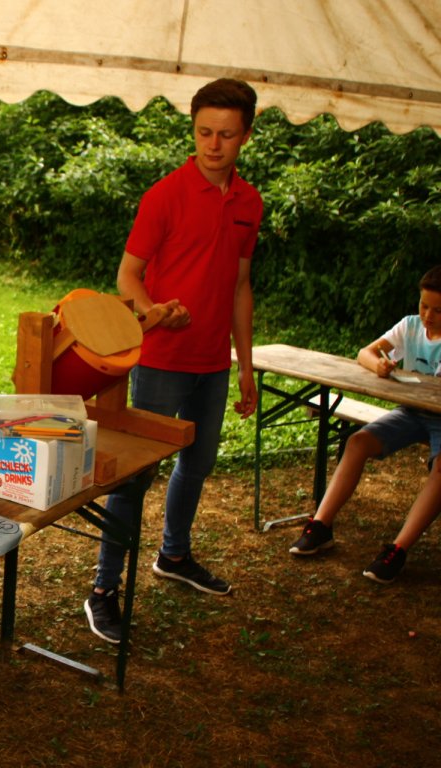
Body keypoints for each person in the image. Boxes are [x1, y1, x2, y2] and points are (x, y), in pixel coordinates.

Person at [83, 79, 263, 645]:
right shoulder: (164, 195)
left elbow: (240, 286)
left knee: (198, 462)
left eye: (226, 134)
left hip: (213, 362)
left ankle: (174, 555)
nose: (213, 144)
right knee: (136, 476)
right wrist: (154, 311)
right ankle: (103, 588)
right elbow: (128, 275)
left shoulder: (249, 202)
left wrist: (245, 365)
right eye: (204, 132)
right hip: (162, 359)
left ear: (246, 135)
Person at [288, 266, 441, 583]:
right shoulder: (410, 327)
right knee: (357, 442)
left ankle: (397, 550)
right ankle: (321, 526)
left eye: (438, 310)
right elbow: (366, 353)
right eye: (424, 305)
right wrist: (380, 365)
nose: (428, 315)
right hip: (412, 412)